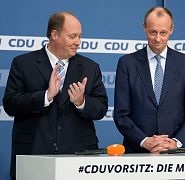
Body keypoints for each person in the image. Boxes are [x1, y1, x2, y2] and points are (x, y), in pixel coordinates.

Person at [3, 12, 108, 180]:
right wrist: (45, 96)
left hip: (78, 158)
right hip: (33, 156)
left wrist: (81, 102)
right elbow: (10, 104)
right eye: (73, 36)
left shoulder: (90, 67)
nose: (78, 42)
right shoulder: (23, 63)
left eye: (80, 36)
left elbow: (101, 108)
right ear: (54, 35)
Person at [113, 7, 185, 154]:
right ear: (144, 28)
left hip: (175, 154)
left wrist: (175, 142)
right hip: (138, 152)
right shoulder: (127, 63)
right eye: (153, 32)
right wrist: (144, 141)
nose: (158, 39)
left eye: (163, 33)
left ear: (171, 30)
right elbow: (121, 115)